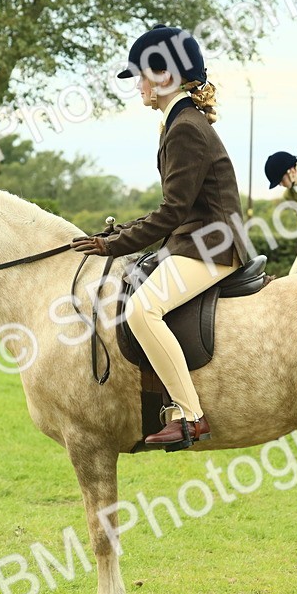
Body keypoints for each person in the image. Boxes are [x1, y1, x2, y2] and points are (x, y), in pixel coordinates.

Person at [71, 25, 247, 449]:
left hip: (212, 245)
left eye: (143, 76)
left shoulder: (185, 127)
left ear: (165, 77)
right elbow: (172, 208)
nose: (140, 87)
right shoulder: (178, 122)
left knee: (141, 311)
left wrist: (114, 245)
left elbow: (173, 212)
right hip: (197, 240)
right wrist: (119, 233)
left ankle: (191, 416)